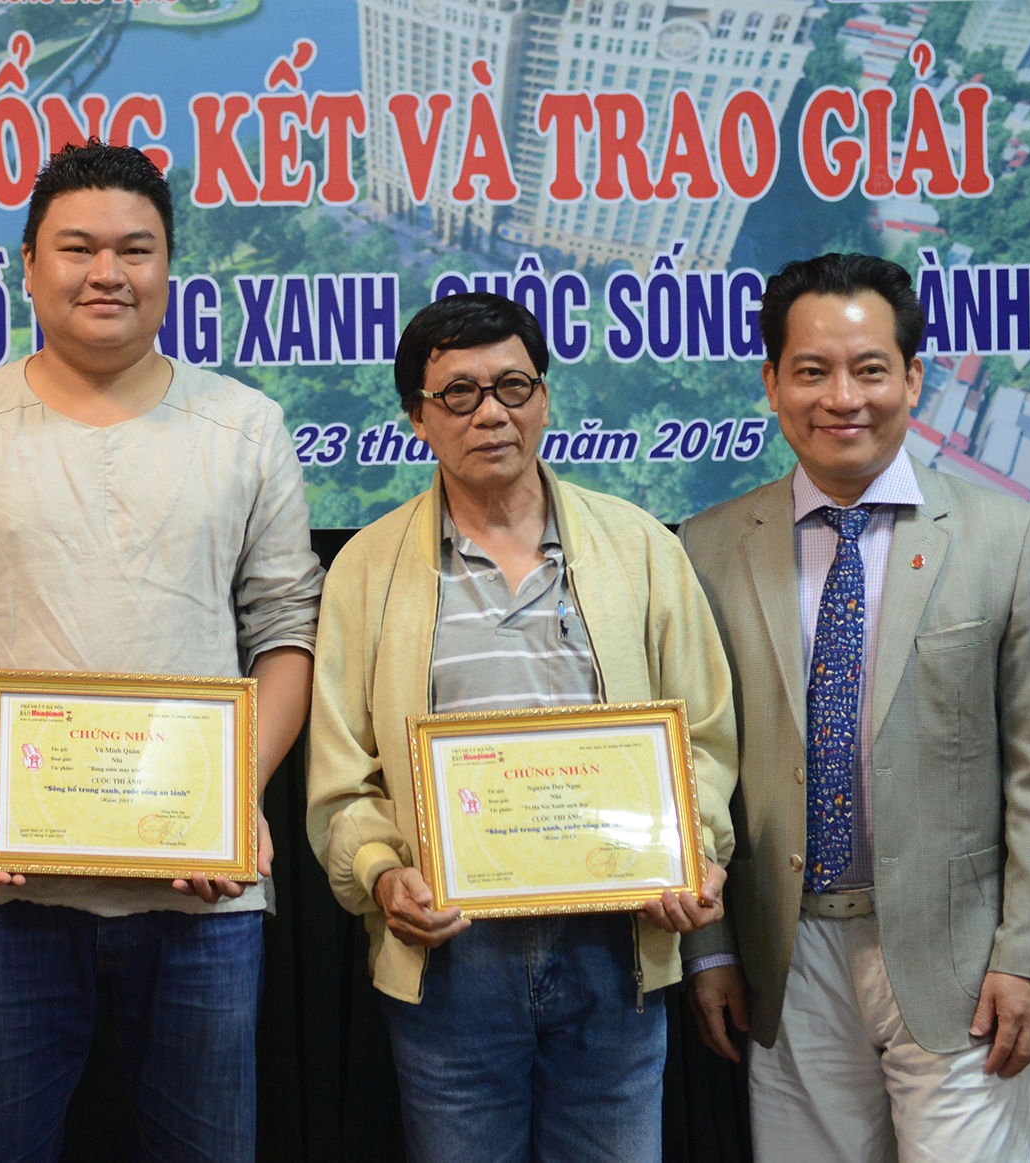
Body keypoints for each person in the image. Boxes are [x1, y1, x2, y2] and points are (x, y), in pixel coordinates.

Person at [0, 141, 323, 1161]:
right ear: (28, 266)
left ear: (169, 268)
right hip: (7, 879)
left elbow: (286, 629)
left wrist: (240, 788)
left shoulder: (245, 425)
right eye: (77, 248)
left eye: (135, 249)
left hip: (202, 887)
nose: (106, 272)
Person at [678, 253, 1030, 1161]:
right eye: (812, 371)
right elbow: (693, 766)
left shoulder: (1007, 537)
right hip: (785, 958)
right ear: (772, 383)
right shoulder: (706, 547)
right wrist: (709, 949)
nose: (843, 398)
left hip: (965, 961)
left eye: (870, 369)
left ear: (913, 377)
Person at [305, 292, 738, 1163]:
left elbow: (705, 735)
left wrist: (692, 850)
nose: (491, 413)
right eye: (459, 394)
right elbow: (344, 774)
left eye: (513, 386)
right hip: (450, 959)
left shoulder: (640, 547)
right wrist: (382, 875)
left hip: (616, 944)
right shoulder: (366, 568)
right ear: (417, 417)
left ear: (544, 397)